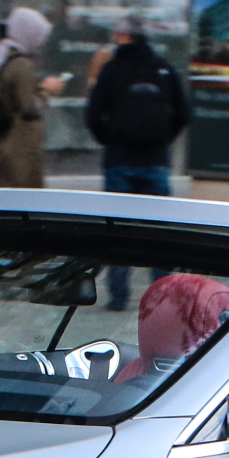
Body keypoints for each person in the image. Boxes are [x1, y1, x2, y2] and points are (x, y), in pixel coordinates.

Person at [84, 20, 189, 308]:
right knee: (158, 233)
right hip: (155, 161)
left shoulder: (112, 70)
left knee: (119, 230)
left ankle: (119, 297)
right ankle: (163, 297)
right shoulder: (164, 69)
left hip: (119, 161)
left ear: (125, 38)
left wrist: (110, 140)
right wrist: (163, 140)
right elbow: (183, 112)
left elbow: (93, 116)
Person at [0, 7, 65, 188]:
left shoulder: (2, 57)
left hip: (6, 144)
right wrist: (46, 90)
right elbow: (29, 107)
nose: (42, 42)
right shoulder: (22, 64)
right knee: (24, 203)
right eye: (39, 35)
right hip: (21, 147)